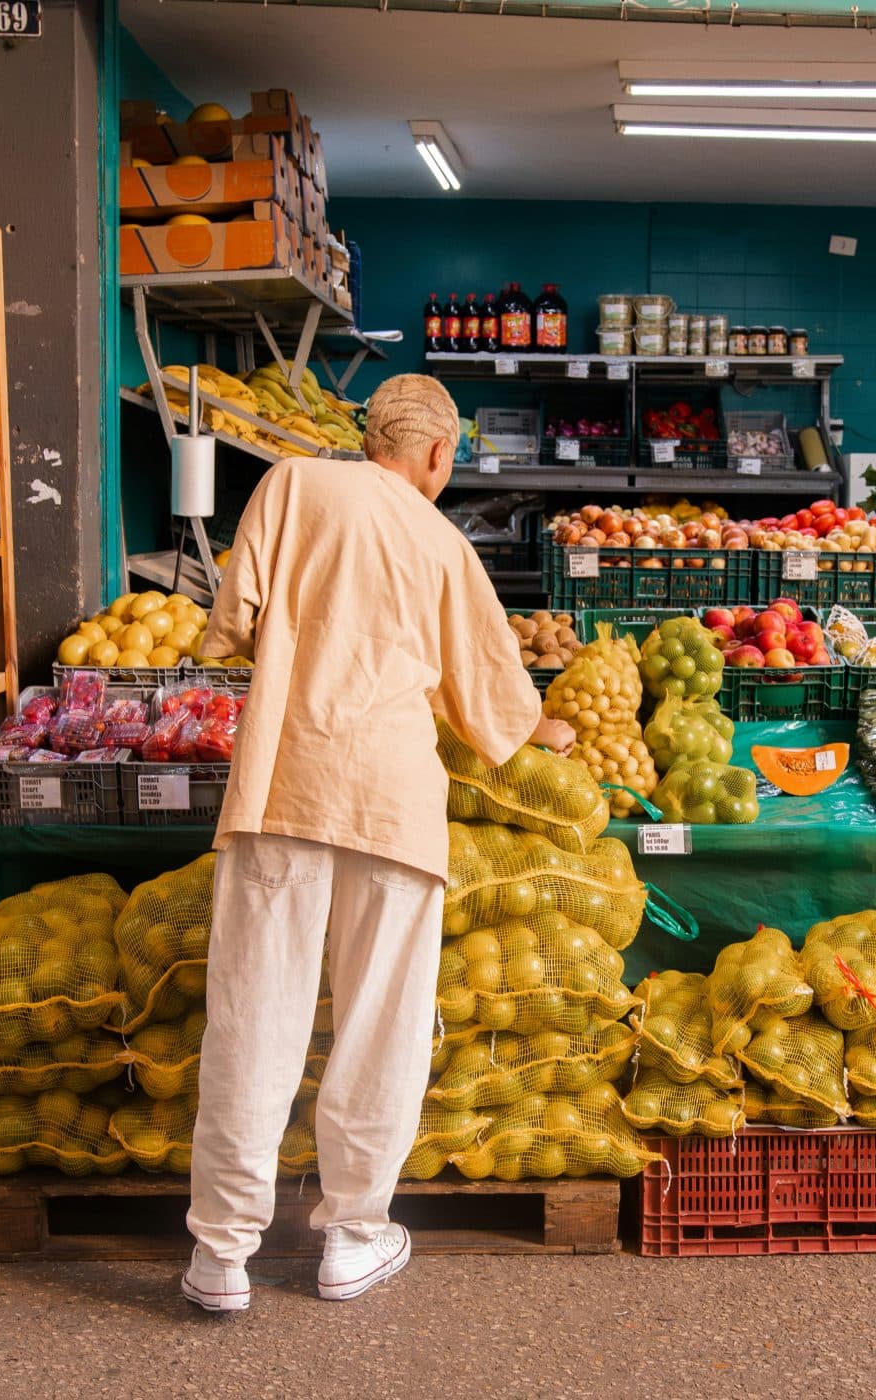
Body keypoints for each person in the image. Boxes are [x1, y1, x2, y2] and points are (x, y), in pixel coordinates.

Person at [181, 373, 576, 1313]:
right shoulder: (445, 545)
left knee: (253, 1020)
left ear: (371, 437)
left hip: (284, 787)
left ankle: (220, 1258)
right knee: (378, 1028)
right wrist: (560, 735)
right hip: (393, 810)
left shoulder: (292, 484)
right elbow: (497, 709)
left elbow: (230, 623)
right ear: (438, 455)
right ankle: (352, 1238)